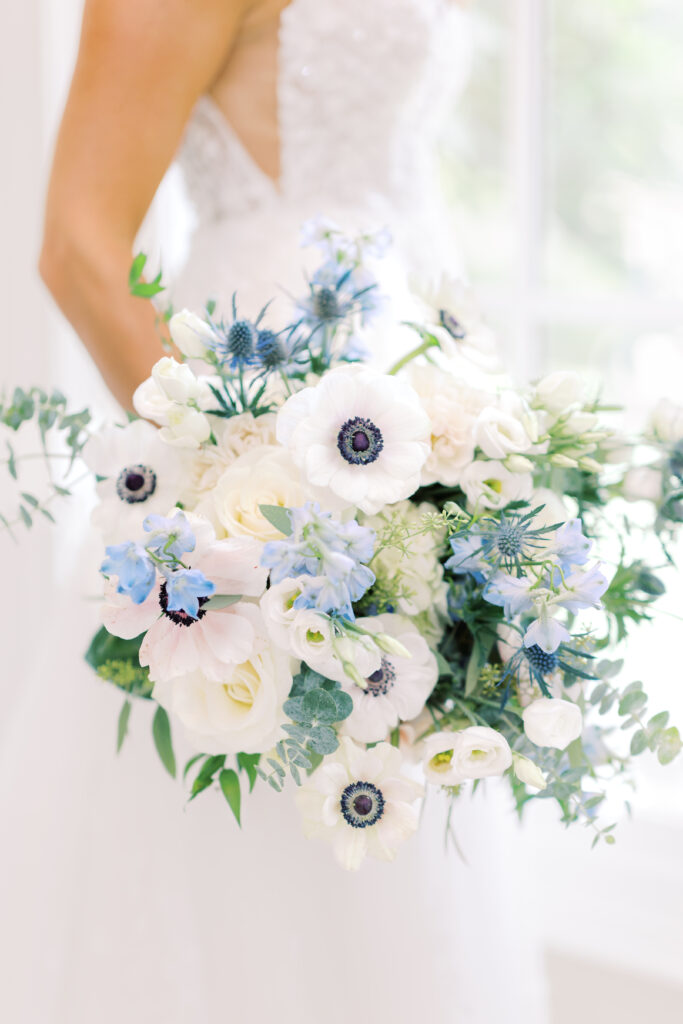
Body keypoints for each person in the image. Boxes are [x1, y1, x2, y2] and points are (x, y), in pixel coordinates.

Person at [1, 1, 550, 1021]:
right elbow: (77, 245)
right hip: (259, 451)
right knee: (247, 844)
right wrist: (245, 486)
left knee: (389, 874)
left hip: (411, 425)